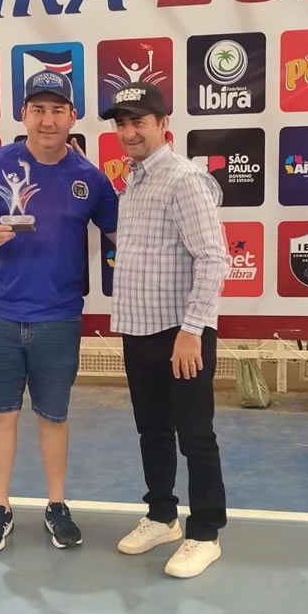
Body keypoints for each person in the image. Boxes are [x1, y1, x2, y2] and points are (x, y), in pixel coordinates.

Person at [0, 70, 118, 553]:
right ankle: (0, 507)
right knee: (0, 417)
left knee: (54, 417)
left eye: (57, 110)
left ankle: (56, 505)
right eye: (38, 110)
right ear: (24, 114)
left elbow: (122, 235)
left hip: (59, 318)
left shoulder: (90, 178)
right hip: (0, 315)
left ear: (72, 116)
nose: (48, 120)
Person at [101, 82, 230, 579]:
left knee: (195, 436)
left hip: (181, 334)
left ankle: (206, 533)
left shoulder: (184, 179)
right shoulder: (134, 180)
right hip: (139, 330)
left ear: (162, 125)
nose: (129, 131)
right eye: (122, 123)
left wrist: (192, 330)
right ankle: (162, 516)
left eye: (139, 121)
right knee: (152, 430)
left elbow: (213, 258)